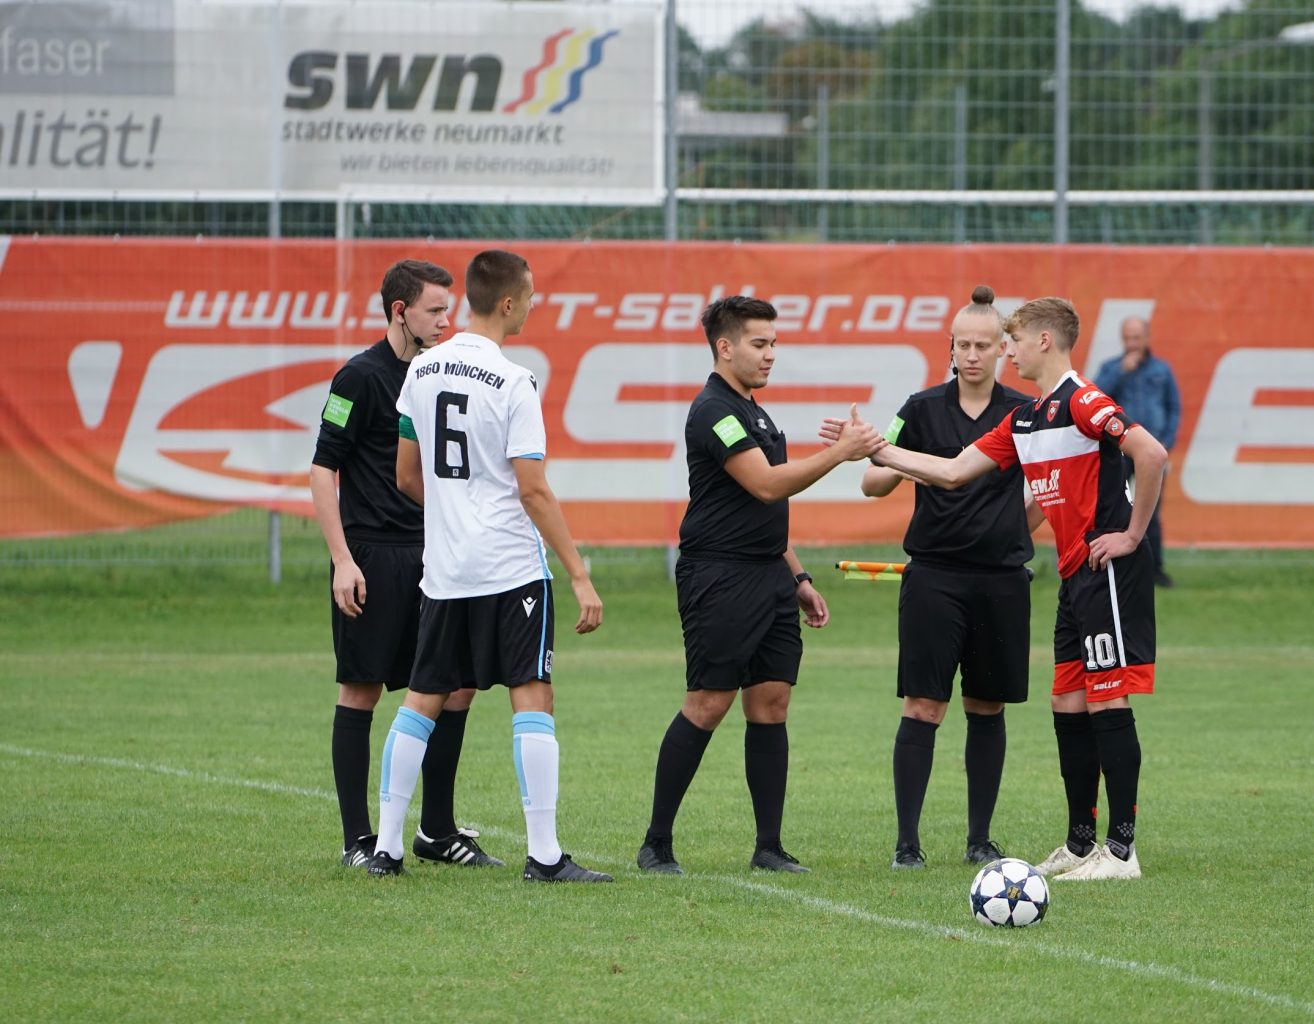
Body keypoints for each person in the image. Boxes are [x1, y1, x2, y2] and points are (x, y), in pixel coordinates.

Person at [841, 296, 1166, 881]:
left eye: (1009, 340)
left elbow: (1152, 453)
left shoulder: (1085, 402)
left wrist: (1131, 535)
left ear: (1043, 341)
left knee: (1106, 699)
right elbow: (950, 471)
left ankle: (1121, 852)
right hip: (1072, 575)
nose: (1003, 350)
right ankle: (1080, 843)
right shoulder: (1025, 419)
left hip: (1105, 569)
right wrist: (872, 448)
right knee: (1066, 702)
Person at [368, 249, 610, 882]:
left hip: (445, 570)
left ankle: (387, 850)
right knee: (533, 696)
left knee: (421, 700)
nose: (533, 305)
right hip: (509, 567)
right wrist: (579, 573)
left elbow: (405, 476)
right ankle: (546, 856)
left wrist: (454, 513)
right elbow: (533, 490)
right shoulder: (515, 381)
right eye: (530, 296)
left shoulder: (418, 372)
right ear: (508, 302)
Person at [635, 295, 885, 876]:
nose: (772, 354)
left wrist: (797, 576)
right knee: (708, 702)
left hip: (769, 576)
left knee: (771, 703)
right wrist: (841, 452)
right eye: (760, 343)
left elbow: (763, 511)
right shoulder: (714, 411)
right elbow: (768, 486)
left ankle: (768, 847)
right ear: (725, 347)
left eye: (774, 343)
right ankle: (656, 844)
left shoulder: (757, 411)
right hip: (719, 576)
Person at [310, 259, 502, 870]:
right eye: (435, 310)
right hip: (374, 556)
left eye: (449, 310)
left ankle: (436, 831)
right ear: (400, 311)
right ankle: (357, 841)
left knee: (457, 685)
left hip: (438, 555)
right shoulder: (358, 378)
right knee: (361, 689)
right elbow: (322, 469)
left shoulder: (438, 373)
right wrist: (342, 560)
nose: (446, 321)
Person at [860, 286, 1036, 870]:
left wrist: (1012, 528)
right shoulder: (919, 407)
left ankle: (979, 840)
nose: (972, 355)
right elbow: (872, 483)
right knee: (923, 706)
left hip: (1002, 581)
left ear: (1004, 349)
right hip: (934, 578)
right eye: (963, 344)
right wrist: (880, 456)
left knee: (987, 707)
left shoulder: (1023, 412)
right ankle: (907, 844)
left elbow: (1041, 496)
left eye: (984, 345)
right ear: (951, 347)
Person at [1095, 316, 1180, 587]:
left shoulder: (1161, 370)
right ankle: (1113, 565)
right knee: (1112, 508)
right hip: (1119, 451)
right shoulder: (1111, 368)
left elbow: (1173, 407)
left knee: (1149, 510)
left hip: (1151, 452)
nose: (1132, 344)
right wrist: (1121, 371)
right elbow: (1095, 398)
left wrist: (1165, 442)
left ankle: (1155, 570)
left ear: (1146, 337)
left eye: (1136, 338)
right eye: (1127, 338)